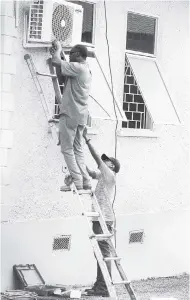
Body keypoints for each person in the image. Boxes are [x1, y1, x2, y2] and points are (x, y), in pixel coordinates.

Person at [83, 127, 120, 297]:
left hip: (104, 219)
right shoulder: (103, 175)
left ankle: (104, 287)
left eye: (106, 161)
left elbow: (96, 158)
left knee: (103, 253)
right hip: (101, 218)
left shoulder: (110, 174)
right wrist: (78, 162)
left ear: (111, 165)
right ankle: (100, 284)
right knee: (98, 252)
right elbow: (91, 173)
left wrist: (86, 139)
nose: (103, 162)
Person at [51, 41, 92, 191]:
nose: (69, 55)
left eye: (72, 53)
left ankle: (77, 180)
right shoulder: (85, 69)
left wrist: (58, 51)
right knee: (77, 149)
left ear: (79, 55)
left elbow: (56, 62)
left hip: (70, 113)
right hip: (80, 116)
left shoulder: (78, 67)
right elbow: (61, 78)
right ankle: (86, 180)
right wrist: (57, 56)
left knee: (66, 149)